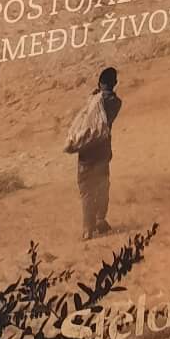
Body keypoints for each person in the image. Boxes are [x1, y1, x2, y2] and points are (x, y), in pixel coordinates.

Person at [65, 67, 121, 239]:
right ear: (115, 84)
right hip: (102, 153)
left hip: (85, 154)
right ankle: (100, 220)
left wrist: (94, 95)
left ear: (99, 83)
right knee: (102, 187)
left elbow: (86, 117)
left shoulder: (93, 101)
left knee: (86, 190)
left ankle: (87, 229)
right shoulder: (115, 103)